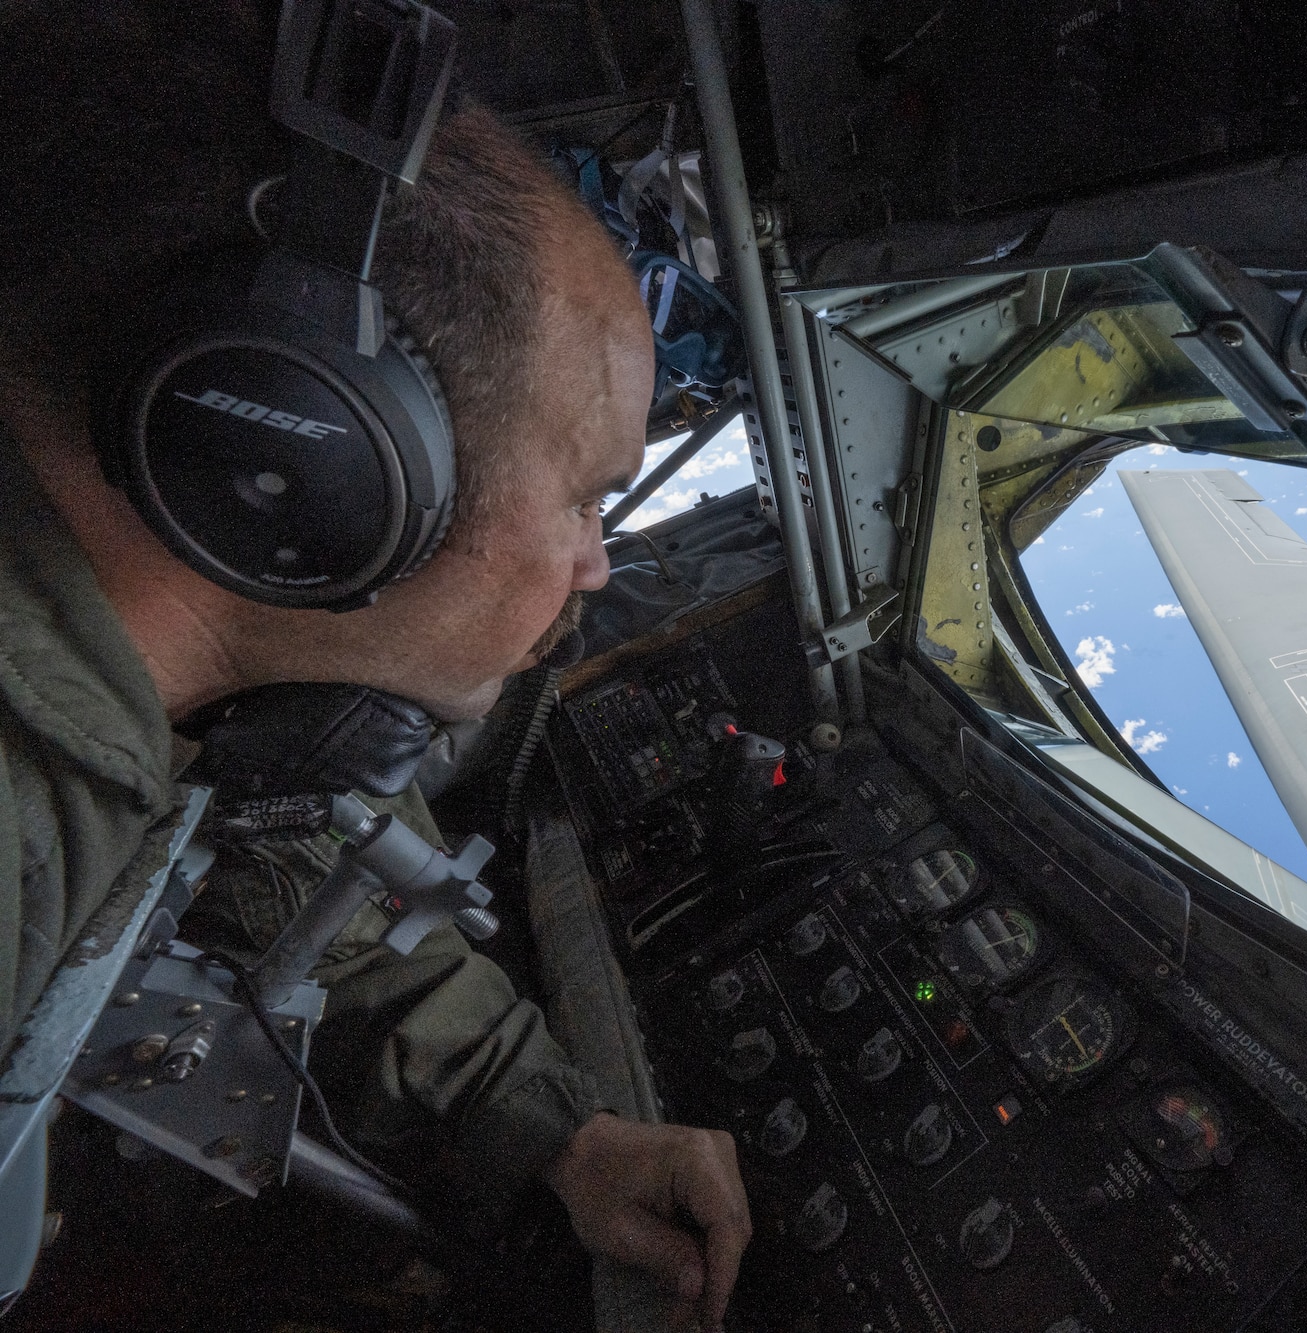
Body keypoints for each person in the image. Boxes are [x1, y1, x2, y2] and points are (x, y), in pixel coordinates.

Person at [0, 4, 748, 1328]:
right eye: (586, 495)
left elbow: (277, 848)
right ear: (317, 459)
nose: (594, 571)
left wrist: (554, 1133)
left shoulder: (160, 696)